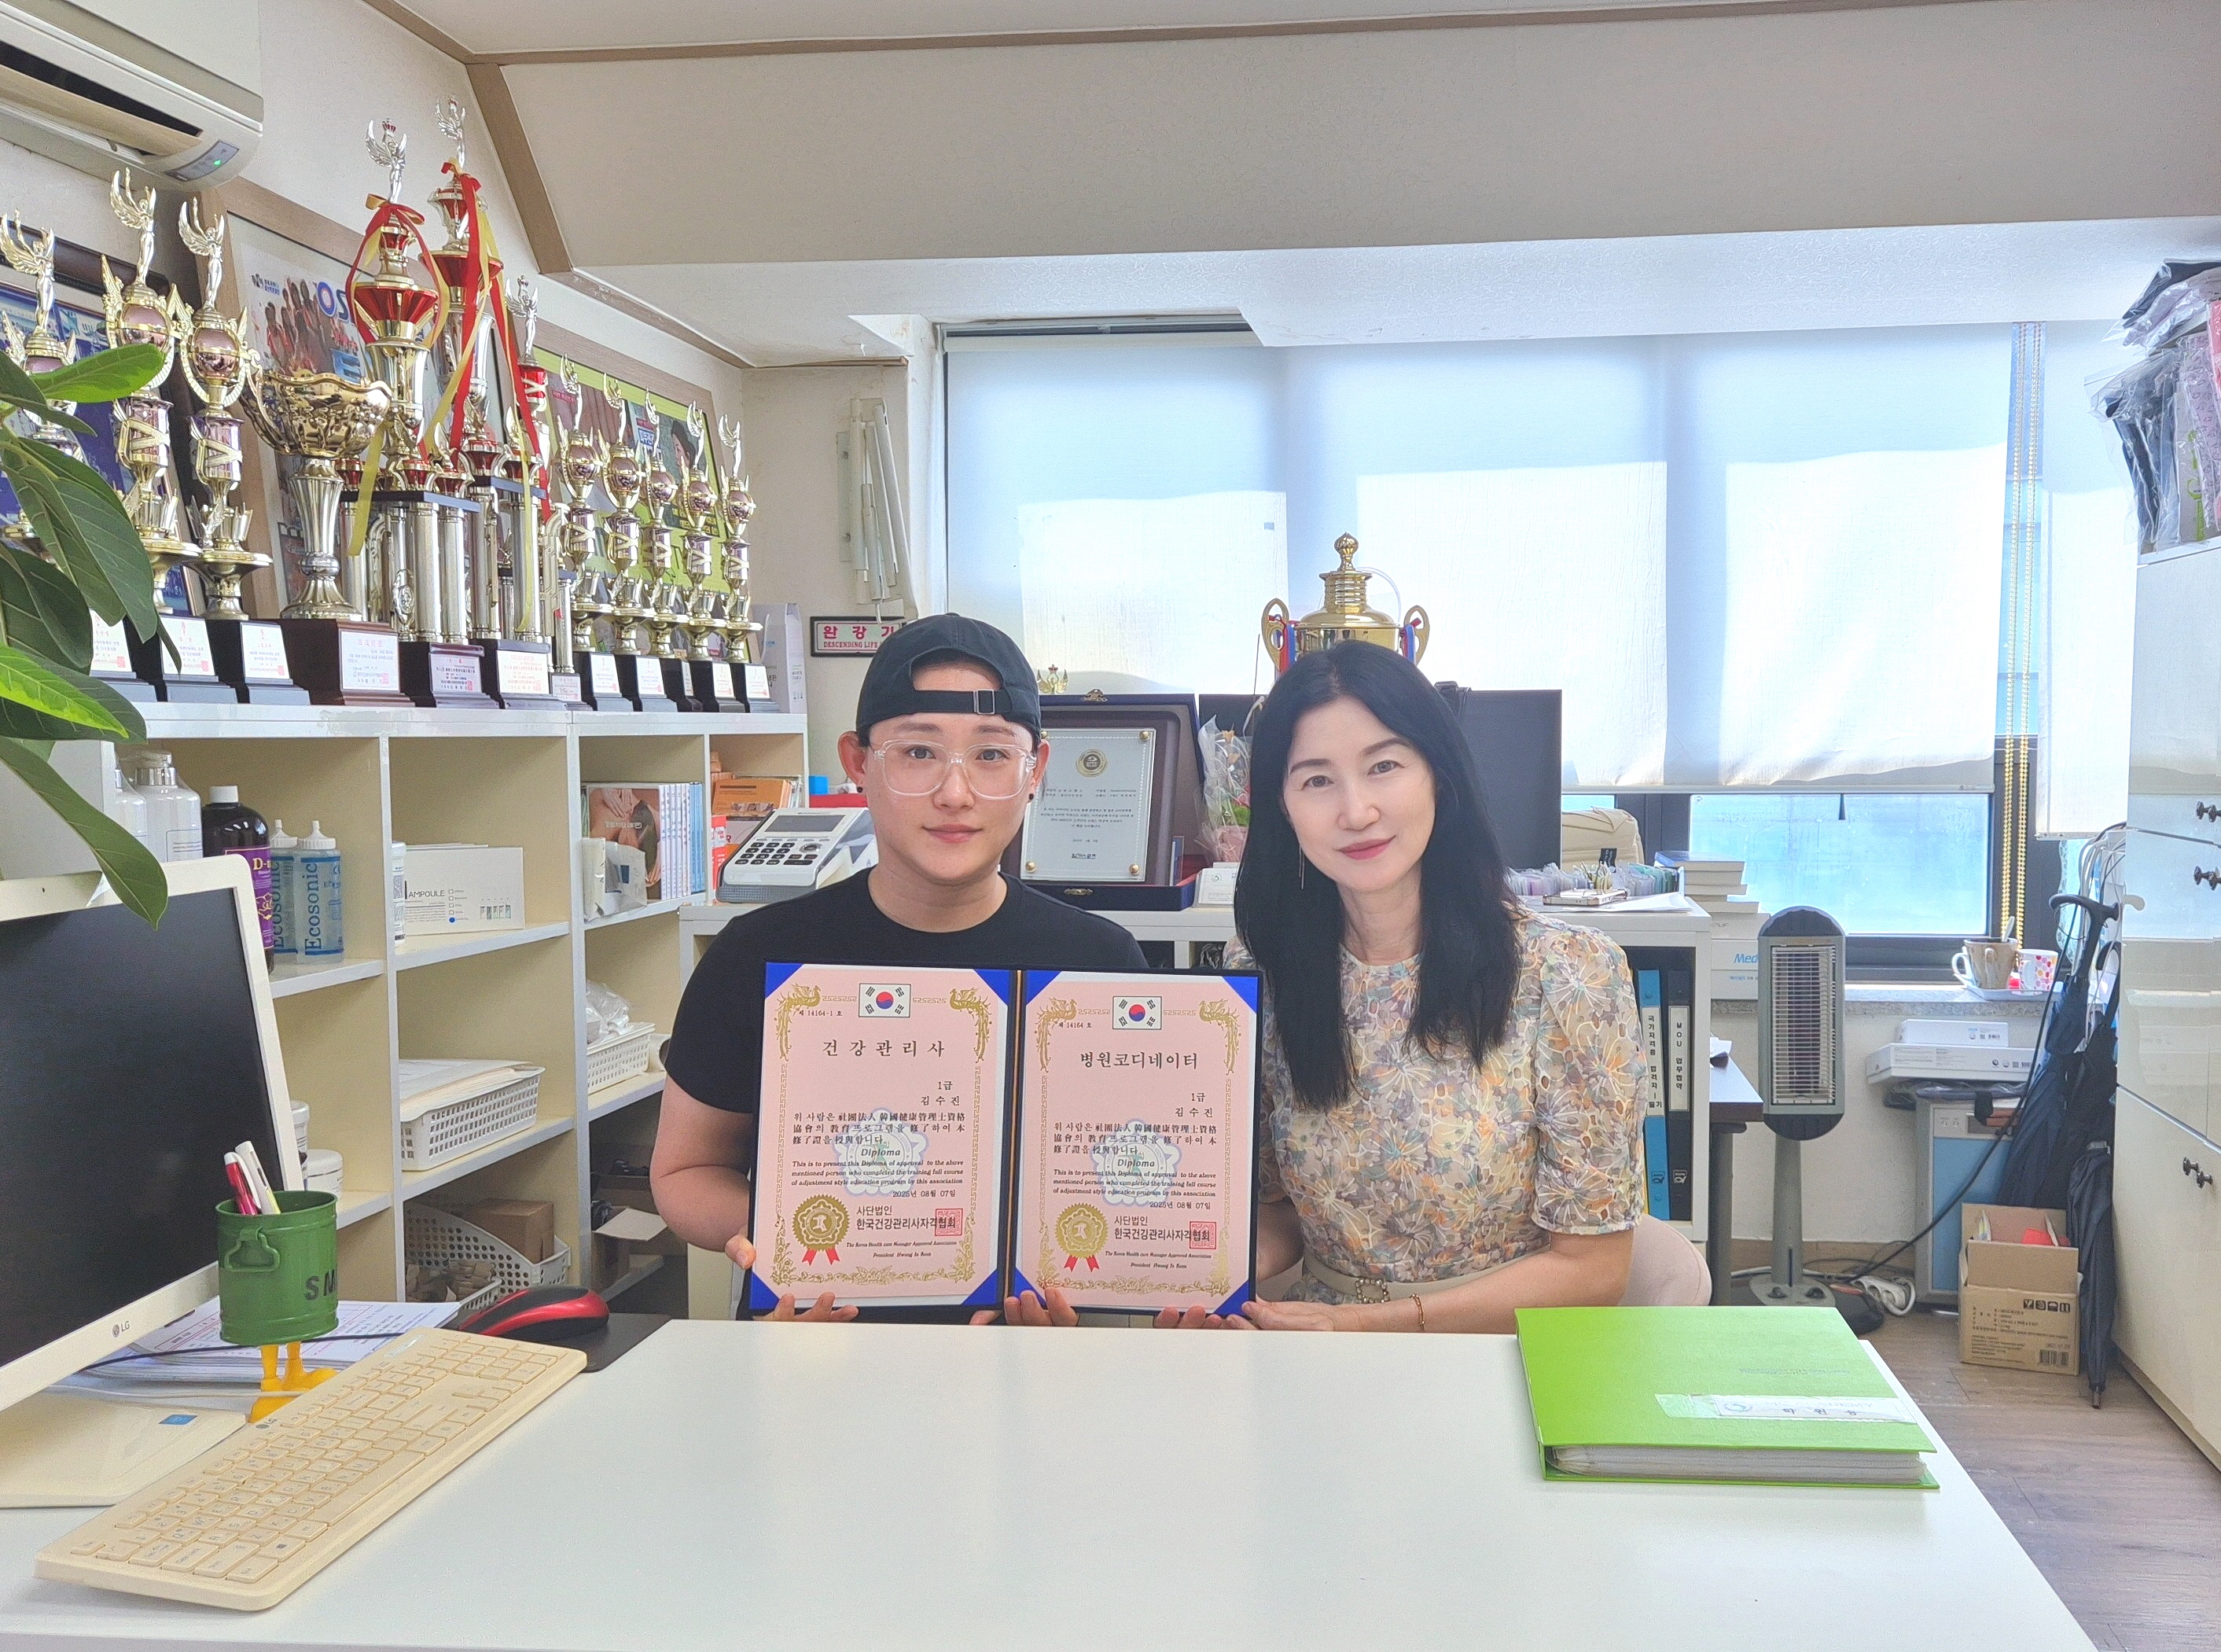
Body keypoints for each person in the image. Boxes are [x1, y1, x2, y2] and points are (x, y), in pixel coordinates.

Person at [651, 613, 1146, 1324]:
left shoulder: (1100, 963)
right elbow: (685, 1171)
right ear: (858, 762)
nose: (955, 793)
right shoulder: (757, 954)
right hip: (810, 1341)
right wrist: (786, 1243)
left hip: (1030, 1358)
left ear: (1035, 769)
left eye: (991, 754)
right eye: (917, 751)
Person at [1160, 642, 1645, 1333]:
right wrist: (1188, 1271)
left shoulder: (1568, 972)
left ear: (1437, 776)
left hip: (1498, 1350)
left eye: (1383, 766)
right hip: (1313, 1348)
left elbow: (1594, 1270)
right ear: (1283, 807)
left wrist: (1372, 1326)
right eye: (1316, 779)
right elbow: (1278, 1211)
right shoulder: (1263, 968)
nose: (1355, 810)